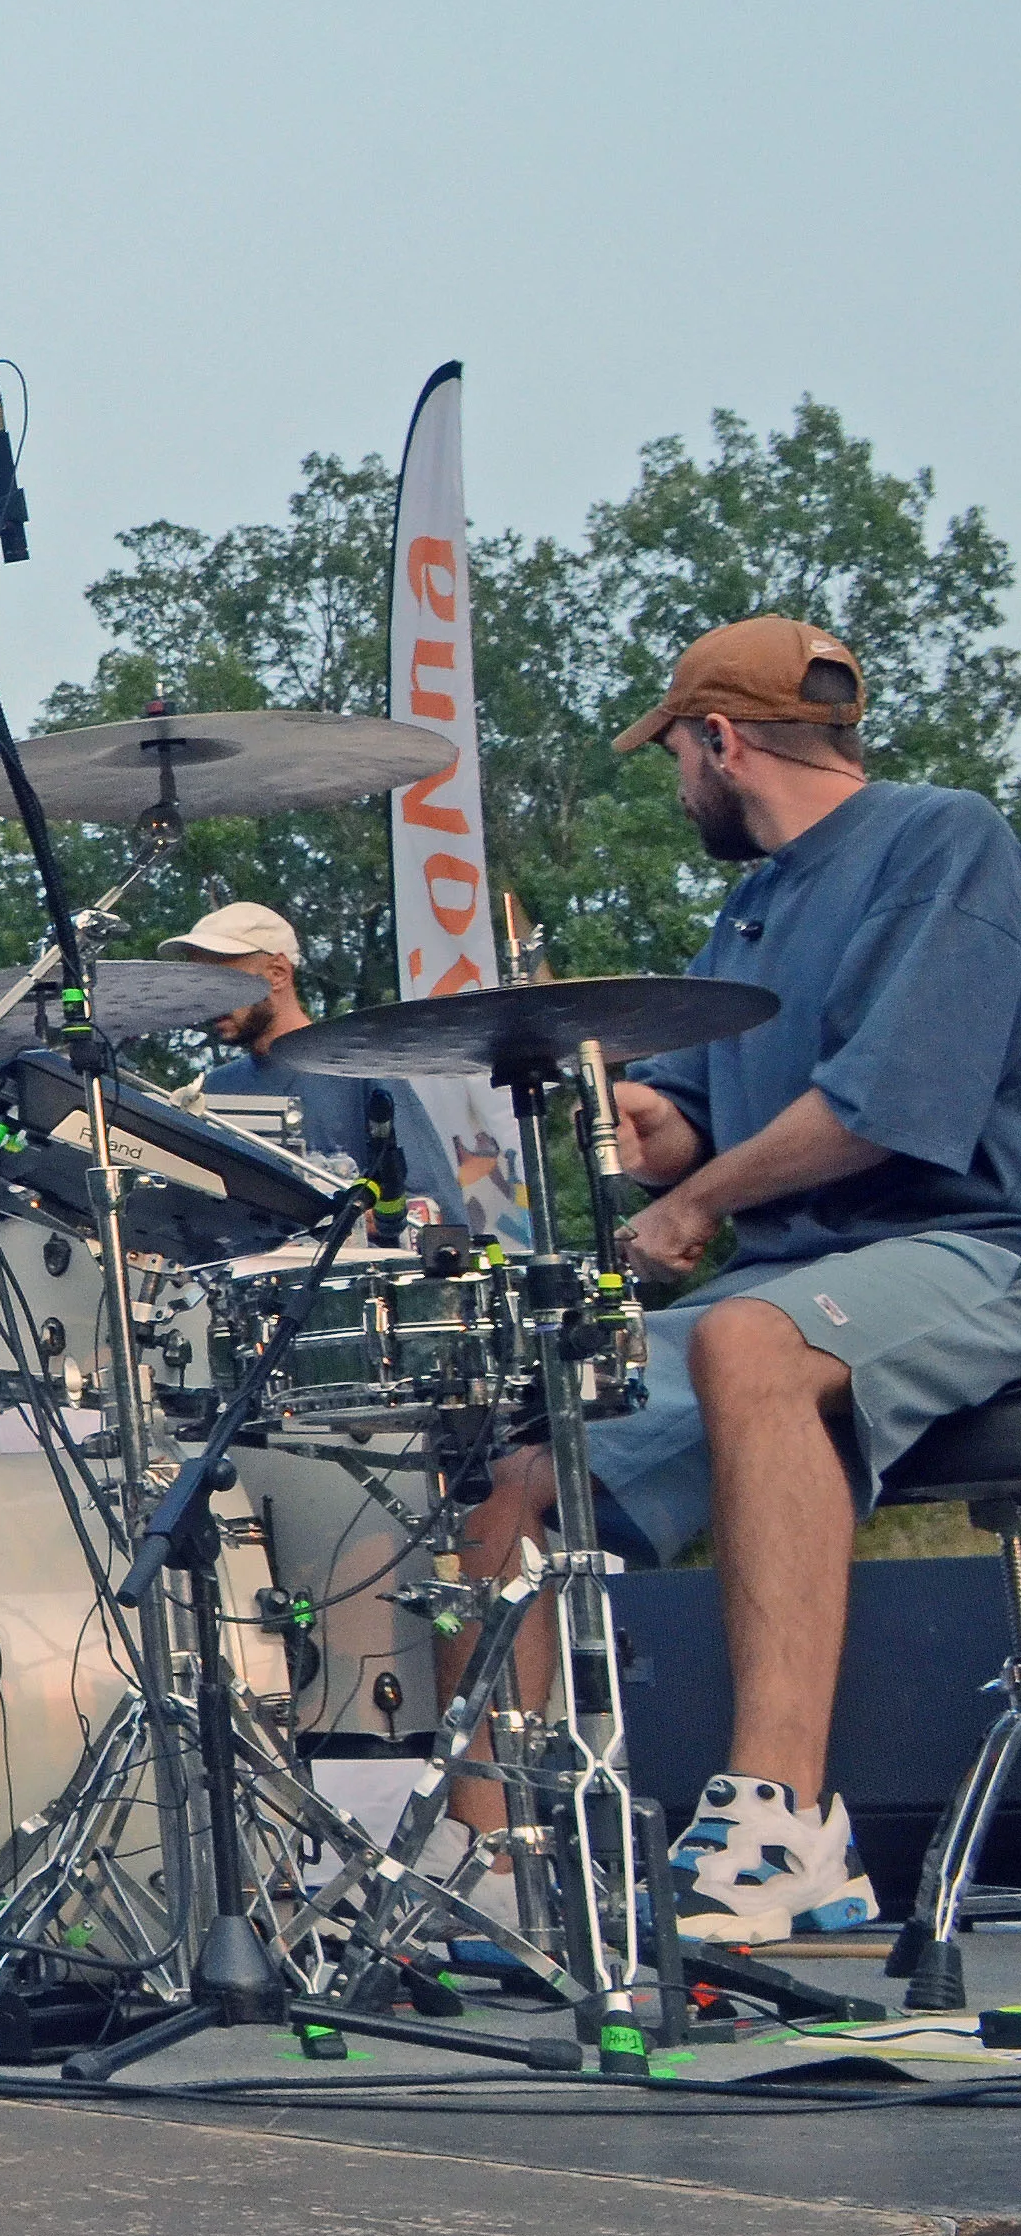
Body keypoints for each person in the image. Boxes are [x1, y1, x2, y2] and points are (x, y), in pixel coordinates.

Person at [453, 618, 1021, 1942]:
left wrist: (702, 1200)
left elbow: (888, 1109)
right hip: (790, 1278)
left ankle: (785, 1825)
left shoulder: (943, 837)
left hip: (975, 1251)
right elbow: (700, 1121)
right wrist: (655, 1130)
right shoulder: (753, 903)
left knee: (749, 1344)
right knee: (508, 1452)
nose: (679, 786)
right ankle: (493, 1874)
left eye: (677, 758)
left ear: (721, 741)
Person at [159, 901, 442, 1209]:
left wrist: (366, 1217)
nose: (207, 998)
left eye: (221, 981)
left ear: (278, 973)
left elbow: (430, 1212)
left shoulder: (360, 1070)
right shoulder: (210, 1092)